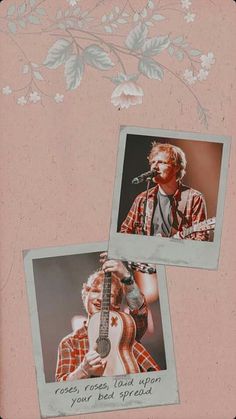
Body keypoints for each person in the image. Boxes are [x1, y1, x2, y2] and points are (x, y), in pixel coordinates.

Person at [55, 255, 160, 381]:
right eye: (95, 291)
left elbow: (140, 312)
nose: (101, 298)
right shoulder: (70, 343)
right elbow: (60, 390)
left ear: (116, 304)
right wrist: (82, 370)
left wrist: (127, 278)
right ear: (85, 296)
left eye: (108, 295)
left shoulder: (126, 330)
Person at [120, 142, 209, 240]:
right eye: (153, 162)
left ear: (176, 167)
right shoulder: (142, 198)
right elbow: (125, 232)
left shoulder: (194, 198)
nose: (154, 166)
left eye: (161, 162)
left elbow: (201, 238)